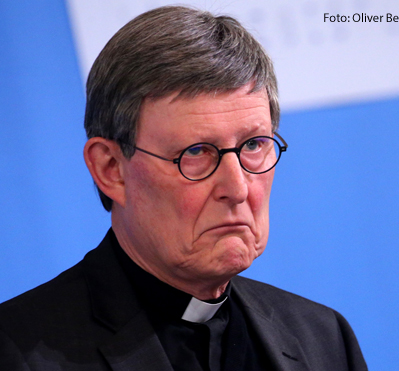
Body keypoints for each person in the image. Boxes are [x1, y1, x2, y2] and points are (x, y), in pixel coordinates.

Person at [0, 6, 367, 371]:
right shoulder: (16, 352)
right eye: (196, 152)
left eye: (253, 145)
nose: (237, 189)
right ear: (111, 169)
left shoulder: (324, 338)